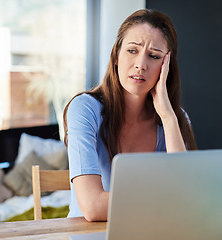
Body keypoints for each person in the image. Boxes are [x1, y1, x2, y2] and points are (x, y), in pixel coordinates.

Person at [63, 9, 197, 221]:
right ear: (116, 56)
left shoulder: (175, 119)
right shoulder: (85, 109)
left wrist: (169, 118)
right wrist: (169, 198)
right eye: (132, 51)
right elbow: (93, 207)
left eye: (154, 56)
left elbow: (188, 199)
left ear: (166, 67)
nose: (141, 65)